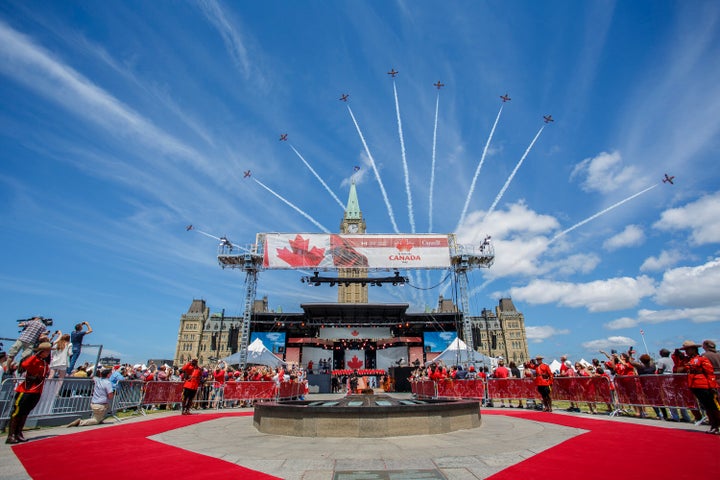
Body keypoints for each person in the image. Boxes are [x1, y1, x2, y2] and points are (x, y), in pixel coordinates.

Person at [6, 342, 51, 444]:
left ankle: (18, 433)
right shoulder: (34, 360)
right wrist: (36, 354)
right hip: (26, 390)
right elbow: (25, 364)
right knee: (17, 412)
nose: (49, 353)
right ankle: (11, 435)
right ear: (42, 352)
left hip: (36, 390)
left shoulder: (43, 363)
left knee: (25, 412)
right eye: (47, 351)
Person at [675, 340, 720, 434]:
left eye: (688, 349)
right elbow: (678, 369)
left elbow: (710, 373)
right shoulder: (688, 360)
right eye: (685, 350)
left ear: (694, 349)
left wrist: (712, 386)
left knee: (713, 406)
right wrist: (678, 358)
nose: (686, 351)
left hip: (704, 385)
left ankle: (718, 424)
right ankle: (714, 425)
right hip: (695, 385)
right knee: (706, 406)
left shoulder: (701, 359)